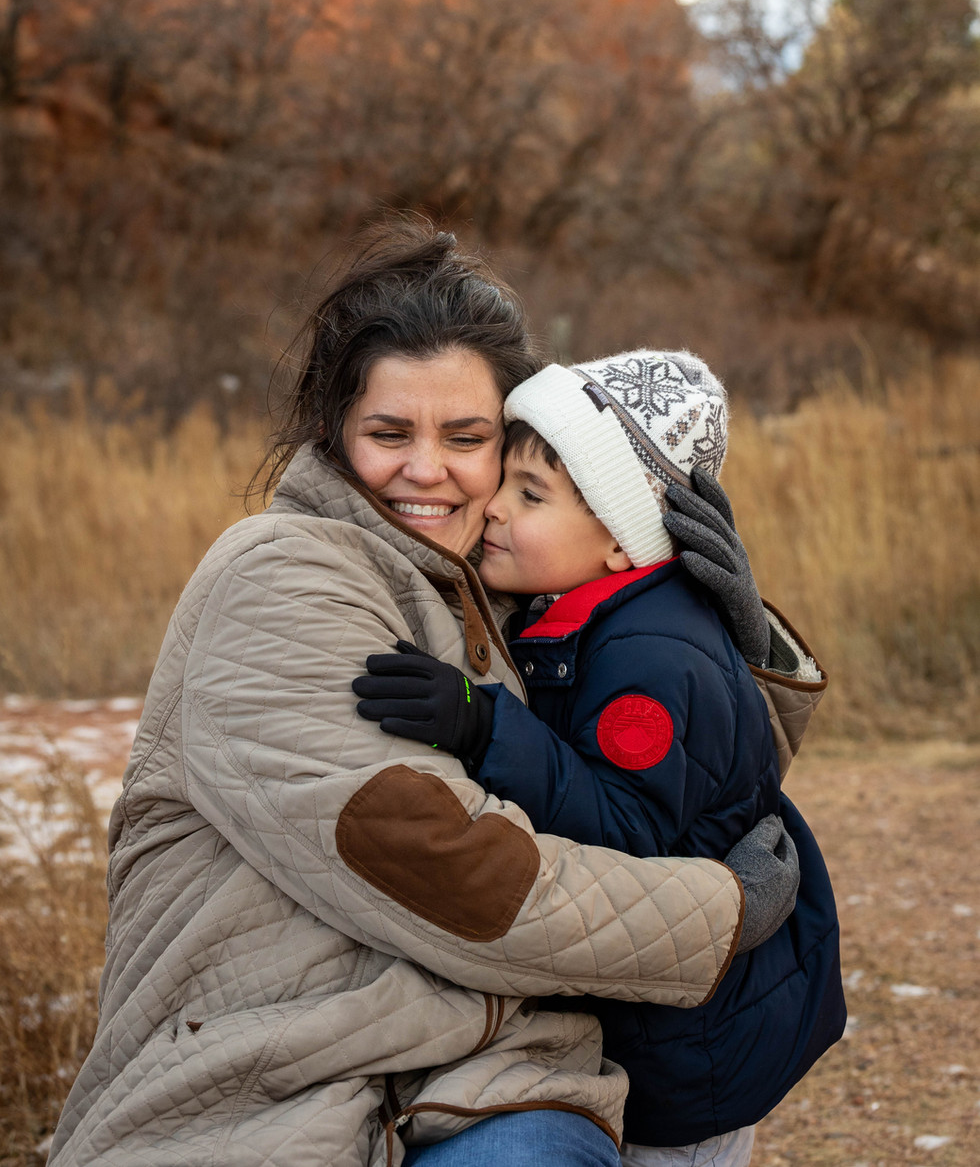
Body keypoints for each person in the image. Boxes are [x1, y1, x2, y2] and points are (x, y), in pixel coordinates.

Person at [49, 227, 811, 1167]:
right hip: (269, 1078)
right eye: (387, 433)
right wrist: (717, 910)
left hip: (495, 1076)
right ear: (332, 430)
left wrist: (716, 627)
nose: (427, 470)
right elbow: (442, 867)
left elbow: (674, 786)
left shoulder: (514, 593)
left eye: (466, 437)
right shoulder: (277, 576)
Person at [355, 348, 845, 1166]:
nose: (495, 509)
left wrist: (485, 727)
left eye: (531, 494)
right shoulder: (588, 610)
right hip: (655, 1015)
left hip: (687, 1054)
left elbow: (627, 832)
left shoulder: (650, 657)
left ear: (622, 541)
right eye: (504, 480)